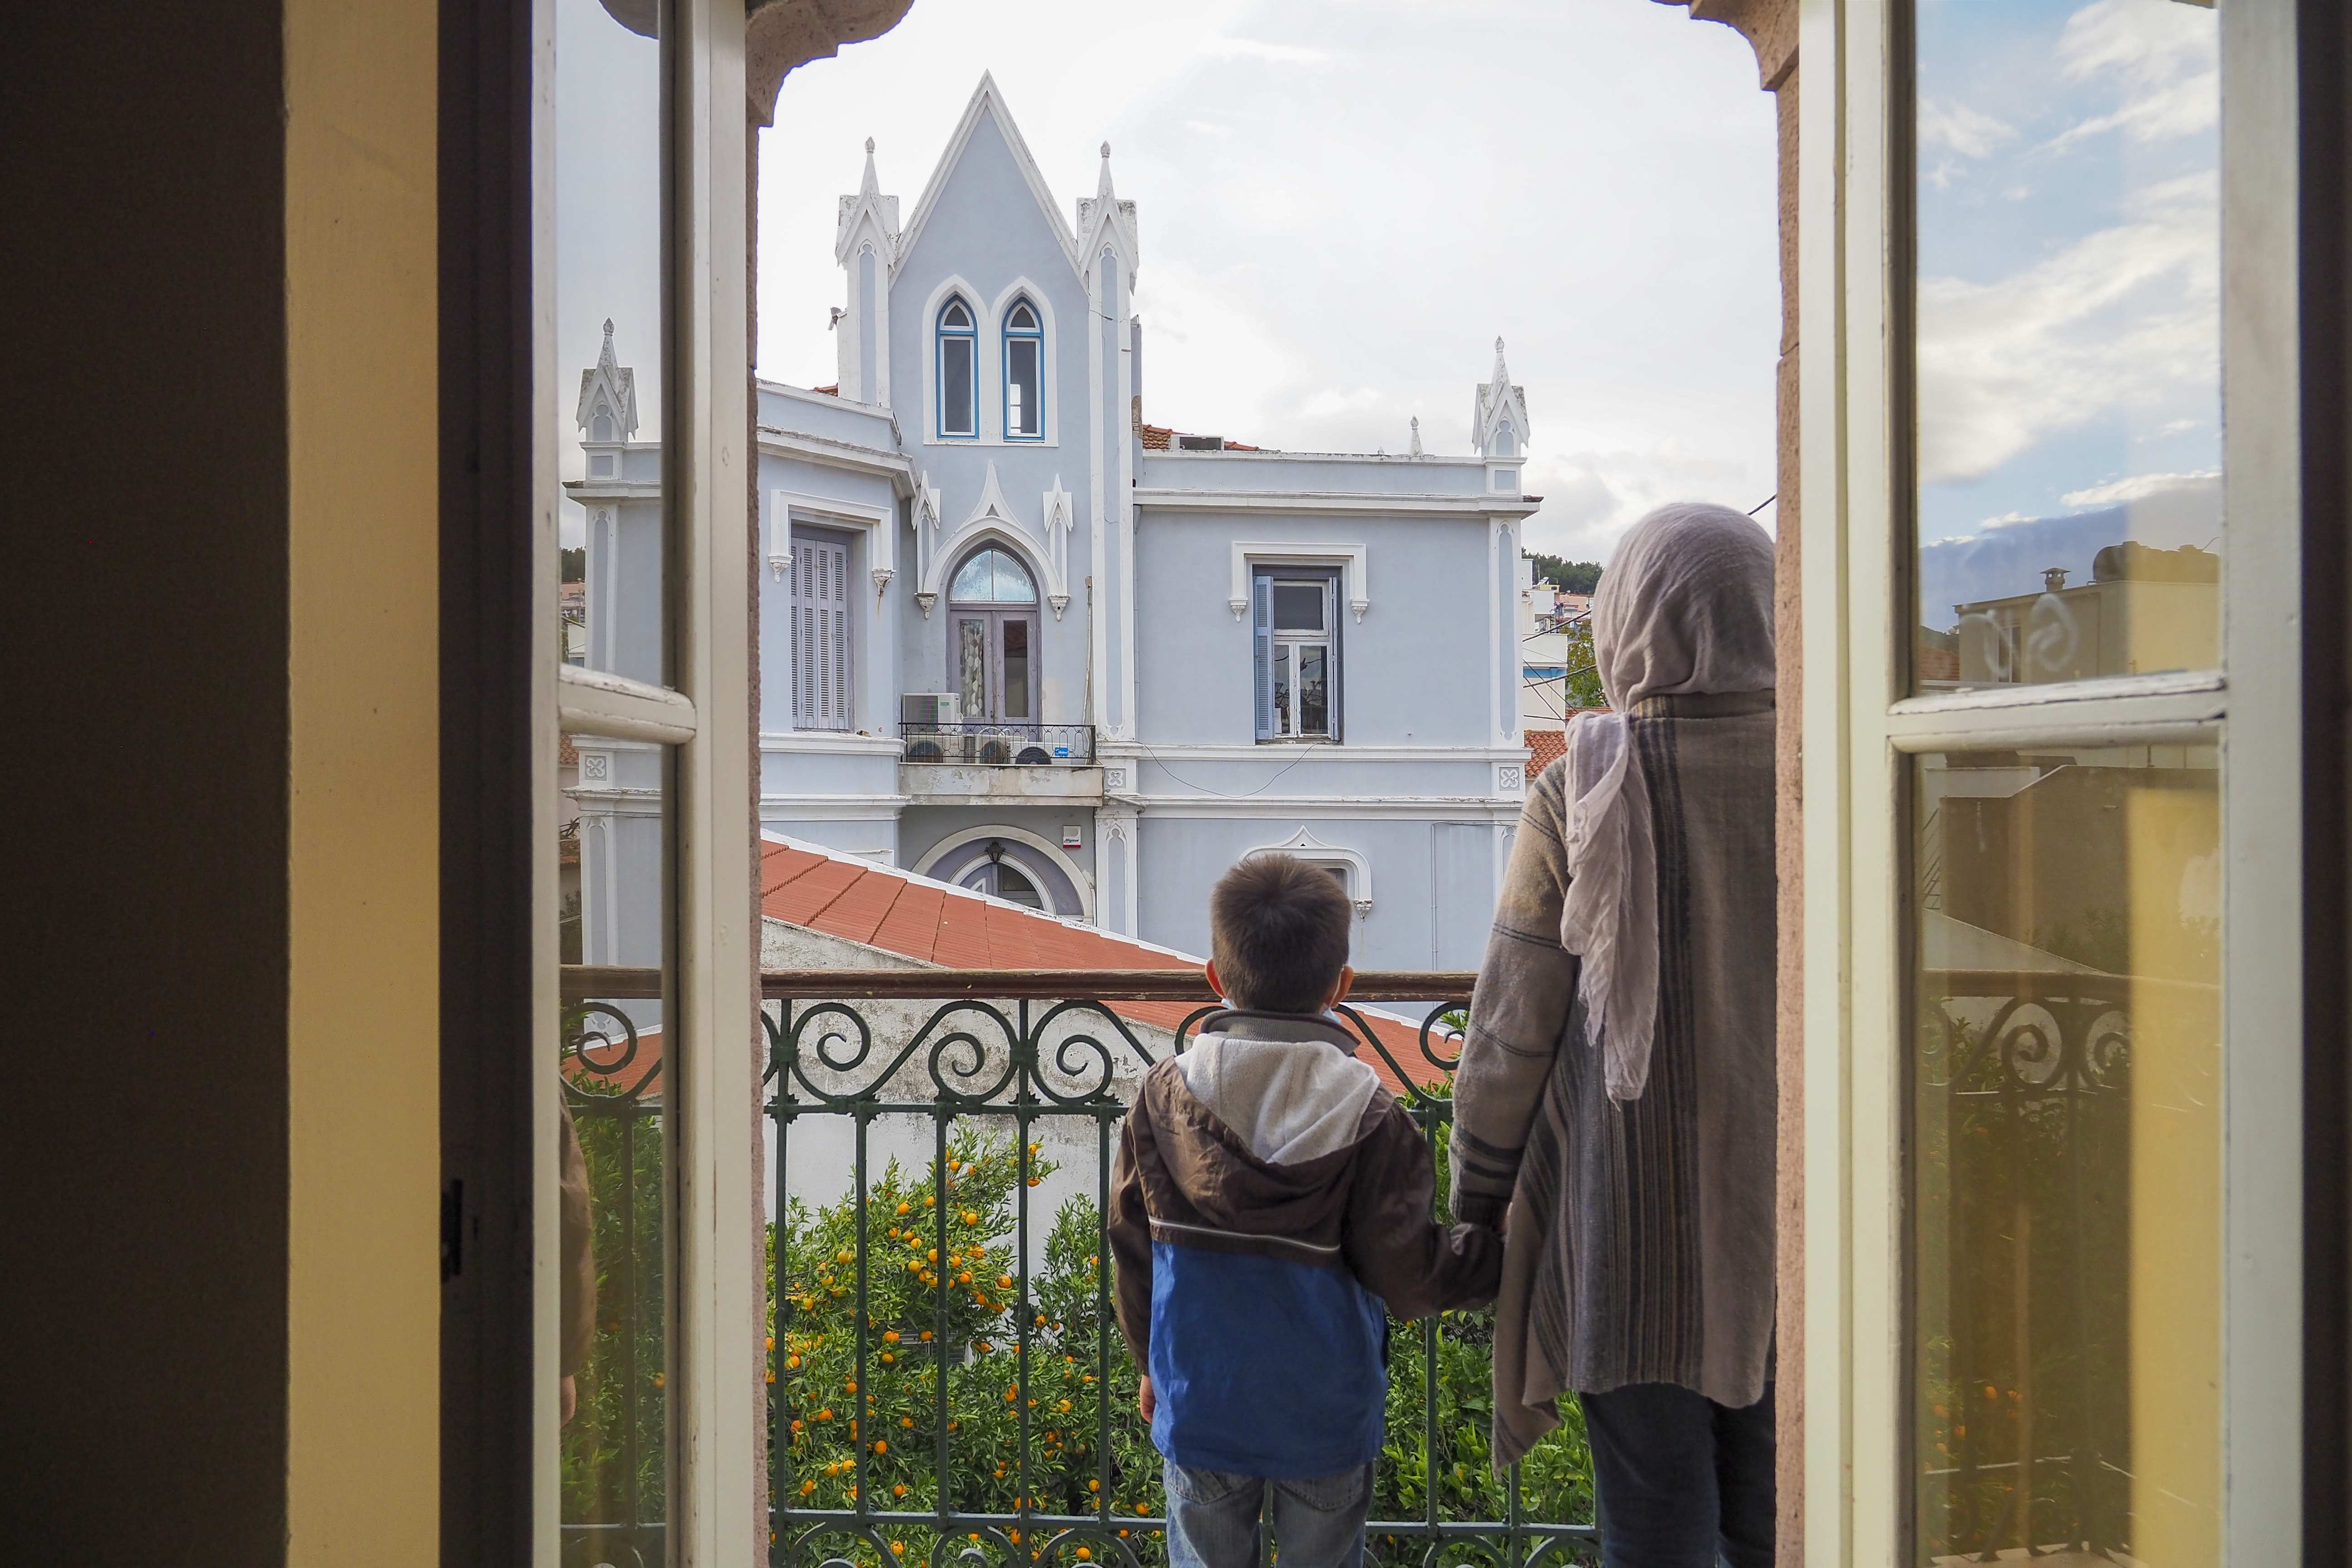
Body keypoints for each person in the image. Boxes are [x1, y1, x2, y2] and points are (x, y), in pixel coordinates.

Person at [1450, 502, 1779, 1568]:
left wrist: (1479, 1202)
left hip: (1623, 1211)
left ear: (1628, 618)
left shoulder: (1581, 783)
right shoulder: (1829, 766)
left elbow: (1511, 1025)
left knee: (1652, 1526)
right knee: (1788, 1513)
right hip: (1795, 1208)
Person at [1107, 855, 1503, 1568]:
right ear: (1342, 987)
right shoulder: (1372, 1116)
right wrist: (1504, 1251)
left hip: (1201, 1400)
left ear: (1216, 979)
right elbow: (1408, 1275)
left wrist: (1150, 1364)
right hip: (1325, 1416)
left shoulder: (1163, 1097)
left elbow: (1132, 1249)